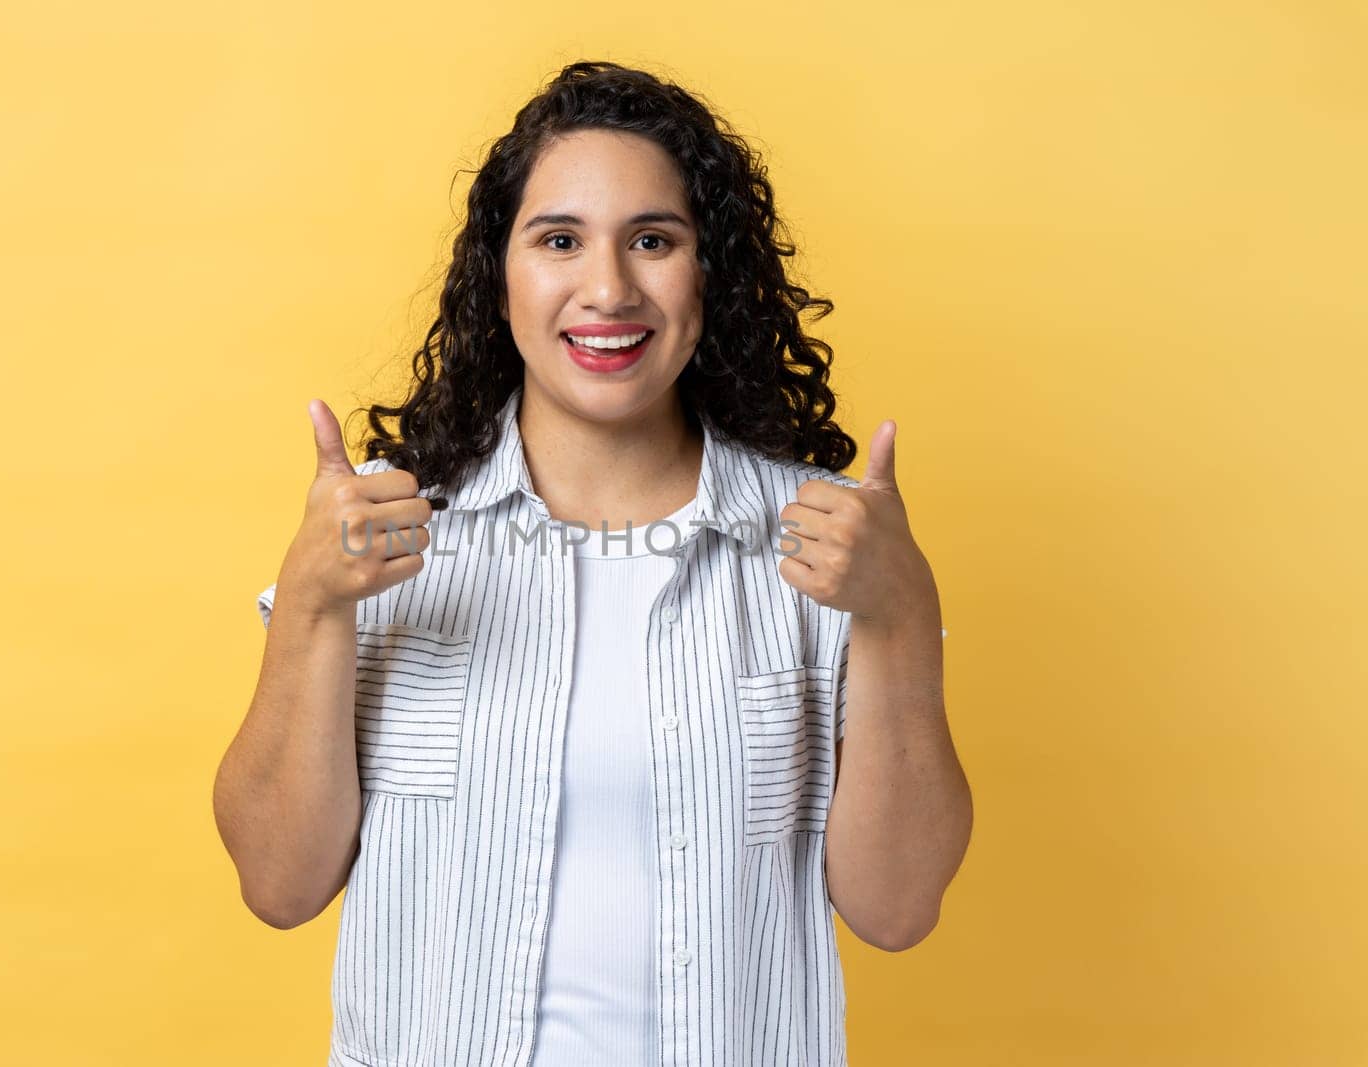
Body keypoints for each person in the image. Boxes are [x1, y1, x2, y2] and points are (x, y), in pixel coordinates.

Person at [213, 60, 971, 1067]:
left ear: (711, 274)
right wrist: (310, 600)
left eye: (652, 240)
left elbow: (897, 906)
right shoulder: (380, 534)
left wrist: (899, 620)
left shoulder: (828, 549)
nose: (607, 288)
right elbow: (278, 883)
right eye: (559, 240)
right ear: (501, 276)